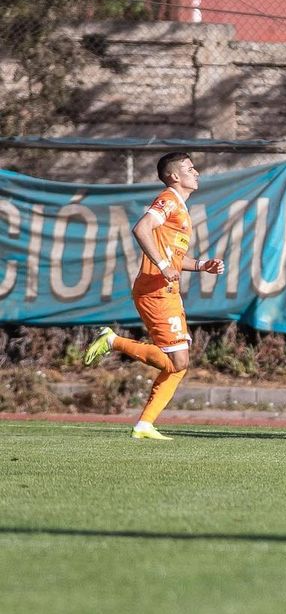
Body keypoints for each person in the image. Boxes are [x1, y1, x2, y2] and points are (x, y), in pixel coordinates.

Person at [83, 152, 224, 440]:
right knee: (178, 362)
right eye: (190, 169)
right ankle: (112, 341)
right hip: (156, 290)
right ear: (174, 176)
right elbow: (141, 228)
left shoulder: (180, 207)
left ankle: (145, 424)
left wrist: (201, 265)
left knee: (178, 365)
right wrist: (161, 265)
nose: (196, 172)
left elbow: (175, 258)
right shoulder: (169, 199)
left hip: (165, 290)